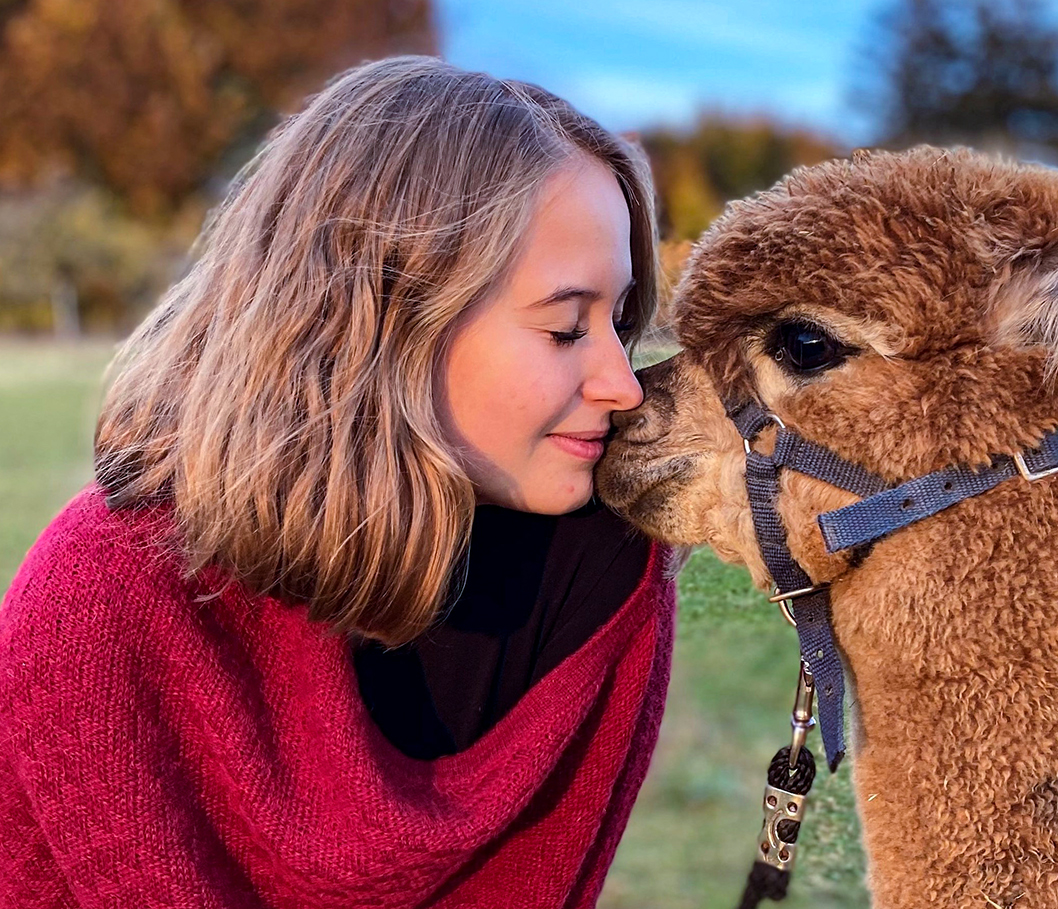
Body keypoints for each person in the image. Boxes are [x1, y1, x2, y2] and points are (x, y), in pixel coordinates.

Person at [0, 56, 676, 907]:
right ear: (384, 316)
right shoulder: (102, 592)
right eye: (566, 326)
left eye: (620, 322)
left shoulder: (601, 567)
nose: (623, 384)